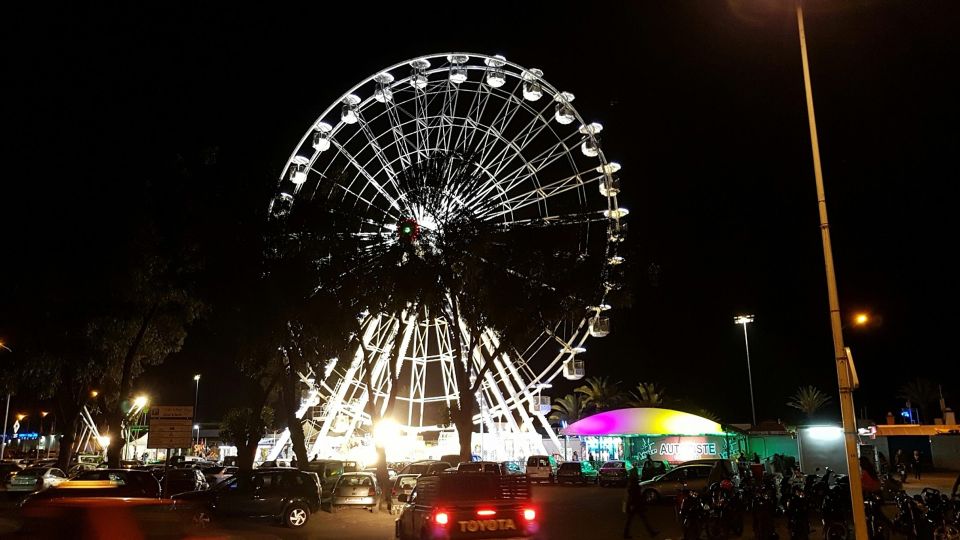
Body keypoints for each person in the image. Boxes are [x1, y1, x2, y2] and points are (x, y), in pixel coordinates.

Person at [623, 467, 658, 539]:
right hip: (635, 504)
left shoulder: (632, 482)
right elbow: (634, 494)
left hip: (635, 504)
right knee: (639, 519)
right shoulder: (634, 482)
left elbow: (632, 494)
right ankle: (651, 532)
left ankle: (651, 532)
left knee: (636, 519)